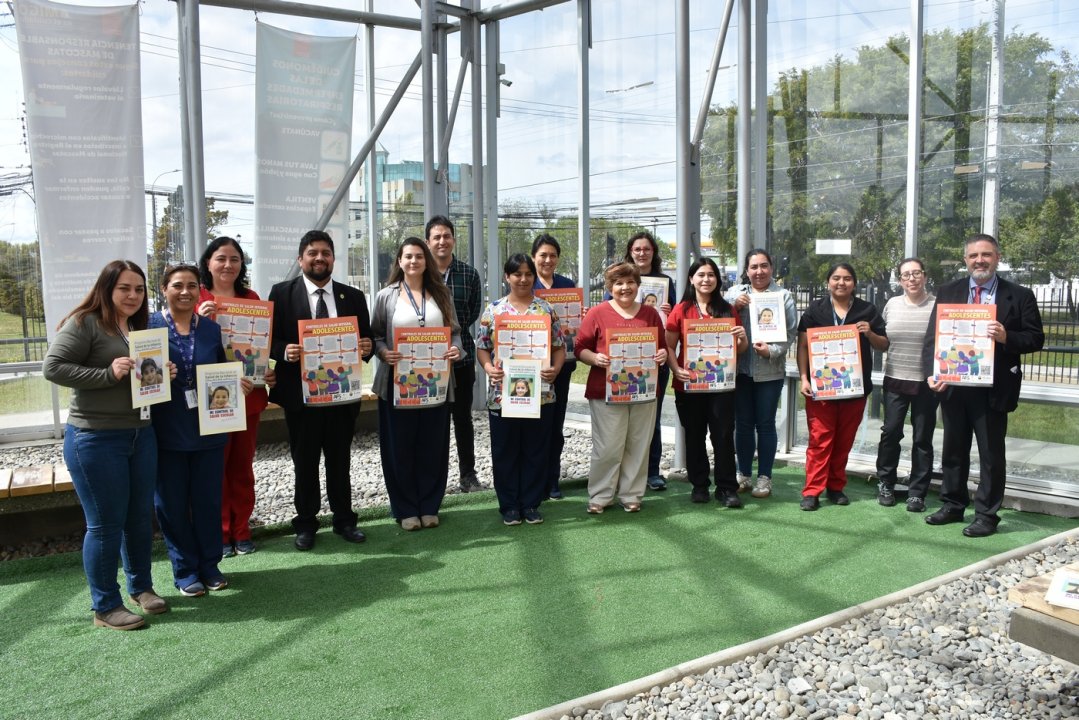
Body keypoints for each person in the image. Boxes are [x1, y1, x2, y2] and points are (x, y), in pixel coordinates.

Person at [43, 260, 170, 630]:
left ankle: (141, 588)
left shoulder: (139, 326)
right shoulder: (84, 323)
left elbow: (142, 376)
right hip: (96, 438)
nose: (132, 295)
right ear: (107, 288)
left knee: (138, 518)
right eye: (124, 288)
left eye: (139, 289)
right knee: (104, 525)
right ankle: (105, 606)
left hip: (141, 433)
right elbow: (53, 367)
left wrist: (163, 375)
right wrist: (107, 373)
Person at [923, 233, 1045, 537]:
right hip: (954, 384)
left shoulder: (1019, 295)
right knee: (953, 449)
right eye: (974, 256)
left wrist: (1007, 337)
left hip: (993, 388)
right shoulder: (948, 291)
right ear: (966, 260)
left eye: (986, 255)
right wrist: (932, 372)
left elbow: (1035, 338)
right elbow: (932, 339)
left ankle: (987, 515)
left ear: (997, 258)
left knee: (991, 454)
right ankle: (952, 504)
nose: (980, 261)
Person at [269, 230, 373, 551]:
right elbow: (267, 340)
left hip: (341, 396)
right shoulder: (281, 294)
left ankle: (344, 519)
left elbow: (366, 343)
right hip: (301, 398)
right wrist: (284, 350)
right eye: (312, 252)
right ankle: (306, 523)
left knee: (340, 460)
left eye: (325, 253)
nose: (319, 258)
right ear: (300, 259)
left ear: (333, 258)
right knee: (305, 461)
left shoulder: (352, 297)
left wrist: (366, 347)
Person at [149, 263, 241, 597]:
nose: (185, 291)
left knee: (206, 500)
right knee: (171, 505)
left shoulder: (211, 330)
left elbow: (222, 372)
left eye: (191, 285)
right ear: (164, 289)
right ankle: (185, 569)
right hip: (166, 428)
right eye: (177, 285)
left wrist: (237, 383)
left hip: (210, 429)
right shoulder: (147, 327)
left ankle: (210, 564)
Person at [371, 238, 463, 531]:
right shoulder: (385, 296)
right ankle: (405, 508)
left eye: (419, 257)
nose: (413, 262)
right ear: (399, 261)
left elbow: (457, 333)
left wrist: (455, 350)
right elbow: (374, 337)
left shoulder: (442, 295)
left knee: (433, 447)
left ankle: (429, 505)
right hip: (397, 386)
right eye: (408, 257)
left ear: (427, 261)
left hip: (436, 384)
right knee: (400, 448)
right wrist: (384, 352)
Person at [196, 235, 276, 557]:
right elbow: (177, 337)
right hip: (211, 397)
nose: (228, 265)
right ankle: (220, 532)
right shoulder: (196, 296)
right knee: (215, 467)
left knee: (242, 466)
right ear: (208, 263)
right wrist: (199, 319)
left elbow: (262, 346)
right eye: (221, 258)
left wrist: (267, 372)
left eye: (235, 259)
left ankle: (242, 530)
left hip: (247, 396)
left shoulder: (251, 297)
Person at [477, 254, 566, 525]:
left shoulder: (545, 310)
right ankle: (509, 506)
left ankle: (530, 504)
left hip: (540, 394)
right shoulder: (494, 310)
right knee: (505, 450)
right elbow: (482, 347)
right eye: (517, 274)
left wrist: (556, 368)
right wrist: (489, 368)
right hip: (503, 394)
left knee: (535, 449)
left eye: (528, 274)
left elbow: (560, 346)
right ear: (507, 277)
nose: (523, 279)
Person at [576, 262, 668, 514]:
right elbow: (580, 347)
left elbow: (662, 347)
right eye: (618, 283)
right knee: (607, 445)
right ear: (610, 287)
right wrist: (594, 358)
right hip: (605, 390)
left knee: (638, 443)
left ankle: (631, 493)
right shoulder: (597, 313)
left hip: (643, 389)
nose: (625, 287)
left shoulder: (650, 314)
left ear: (638, 285)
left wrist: (661, 355)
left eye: (630, 282)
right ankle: (601, 494)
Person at [796, 262, 888, 510]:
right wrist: (804, 378)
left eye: (847, 279)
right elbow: (803, 346)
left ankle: (836, 487)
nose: (841, 283)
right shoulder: (815, 310)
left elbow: (884, 344)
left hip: (854, 389)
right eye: (836, 278)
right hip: (821, 389)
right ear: (828, 282)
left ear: (854, 283)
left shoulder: (867, 310)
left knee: (844, 440)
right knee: (820, 440)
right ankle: (812, 491)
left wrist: (869, 333)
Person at [666, 258, 748, 506]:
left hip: (721, 386)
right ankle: (699, 485)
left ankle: (726, 488)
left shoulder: (727, 310)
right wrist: (676, 368)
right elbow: (669, 346)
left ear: (717, 279)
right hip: (688, 385)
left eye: (711, 275)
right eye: (701, 275)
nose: (706, 279)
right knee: (694, 435)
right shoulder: (681, 310)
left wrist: (742, 337)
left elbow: (740, 349)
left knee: (723, 435)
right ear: (691, 279)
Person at [727, 249, 798, 498]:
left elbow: (790, 333)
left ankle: (765, 477)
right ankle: (743, 474)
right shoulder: (735, 294)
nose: (759, 271)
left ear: (771, 268)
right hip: (740, 370)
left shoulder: (783, 296)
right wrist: (734, 307)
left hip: (770, 371)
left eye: (764, 266)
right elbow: (718, 320)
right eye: (754, 267)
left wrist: (772, 351)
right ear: (746, 270)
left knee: (765, 424)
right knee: (743, 424)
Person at [425, 216, 483, 493]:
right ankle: (433, 476)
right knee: (433, 421)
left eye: (446, 236)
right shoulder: (418, 273)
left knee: (462, 418)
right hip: (425, 360)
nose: (442, 241)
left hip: (462, 357)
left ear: (453, 240)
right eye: (436, 237)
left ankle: (468, 475)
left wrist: (452, 336)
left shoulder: (469, 274)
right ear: (428, 242)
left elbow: (471, 313)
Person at [875, 257, 938, 512]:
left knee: (923, 438)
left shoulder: (937, 306)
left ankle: (917, 492)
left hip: (926, 382)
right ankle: (885, 483)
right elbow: (882, 339)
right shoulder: (891, 304)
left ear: (925, 275)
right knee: (891, 433)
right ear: (899, 280)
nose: (911, 279)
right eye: (905, 275)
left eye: (916, 274)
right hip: (895, 379)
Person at [620, 231, 676, 491]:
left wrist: (669, 312)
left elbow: (675, 321)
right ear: (630, 252)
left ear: (654, 252)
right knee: (624, 417)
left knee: (651, 417)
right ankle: (625, 472)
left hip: (656, 357)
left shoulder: (665, 282)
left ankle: (652, 471)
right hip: (625, 356)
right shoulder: (621, 279)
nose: (642, 253)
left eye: (647, 249)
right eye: (637, 249)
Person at [531, 233, 578, 499]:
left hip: (561, 365)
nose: (548, 260)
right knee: (534, 423)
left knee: (555, 423)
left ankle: (552, 480)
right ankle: (534, 480)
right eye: (543, 255)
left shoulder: (566, 284)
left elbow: (572, 328)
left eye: (552, 255)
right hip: (531, 366)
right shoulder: (527, 283)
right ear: (534, 257)